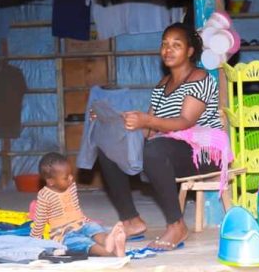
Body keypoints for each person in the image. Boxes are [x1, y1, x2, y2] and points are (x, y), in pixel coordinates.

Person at [96, 22, 226, 251]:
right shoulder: (161, 85)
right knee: (109, 150)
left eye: (176, 45)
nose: (168, 50)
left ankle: (177, 225)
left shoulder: (201, 78)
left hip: (203, 152)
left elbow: (185, 122)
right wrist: (115, 123)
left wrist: (147, 122)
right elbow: (148, 130)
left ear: (190, 51)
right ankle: (131, 220)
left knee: (155, 150)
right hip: (170, 150)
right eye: (165, 44)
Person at [30, 152, 126, 257]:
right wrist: (35, 240)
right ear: (51, 181)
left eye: (71, 174)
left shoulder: (71, 186)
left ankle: (108, 240)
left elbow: (76, 208)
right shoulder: (44, 195)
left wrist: (87, 221)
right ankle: (108, 253)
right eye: (66, 177)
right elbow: (40, 220)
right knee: (82, 243)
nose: (71, 178)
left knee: (94, 228)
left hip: (81, 224)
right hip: (64, 234)